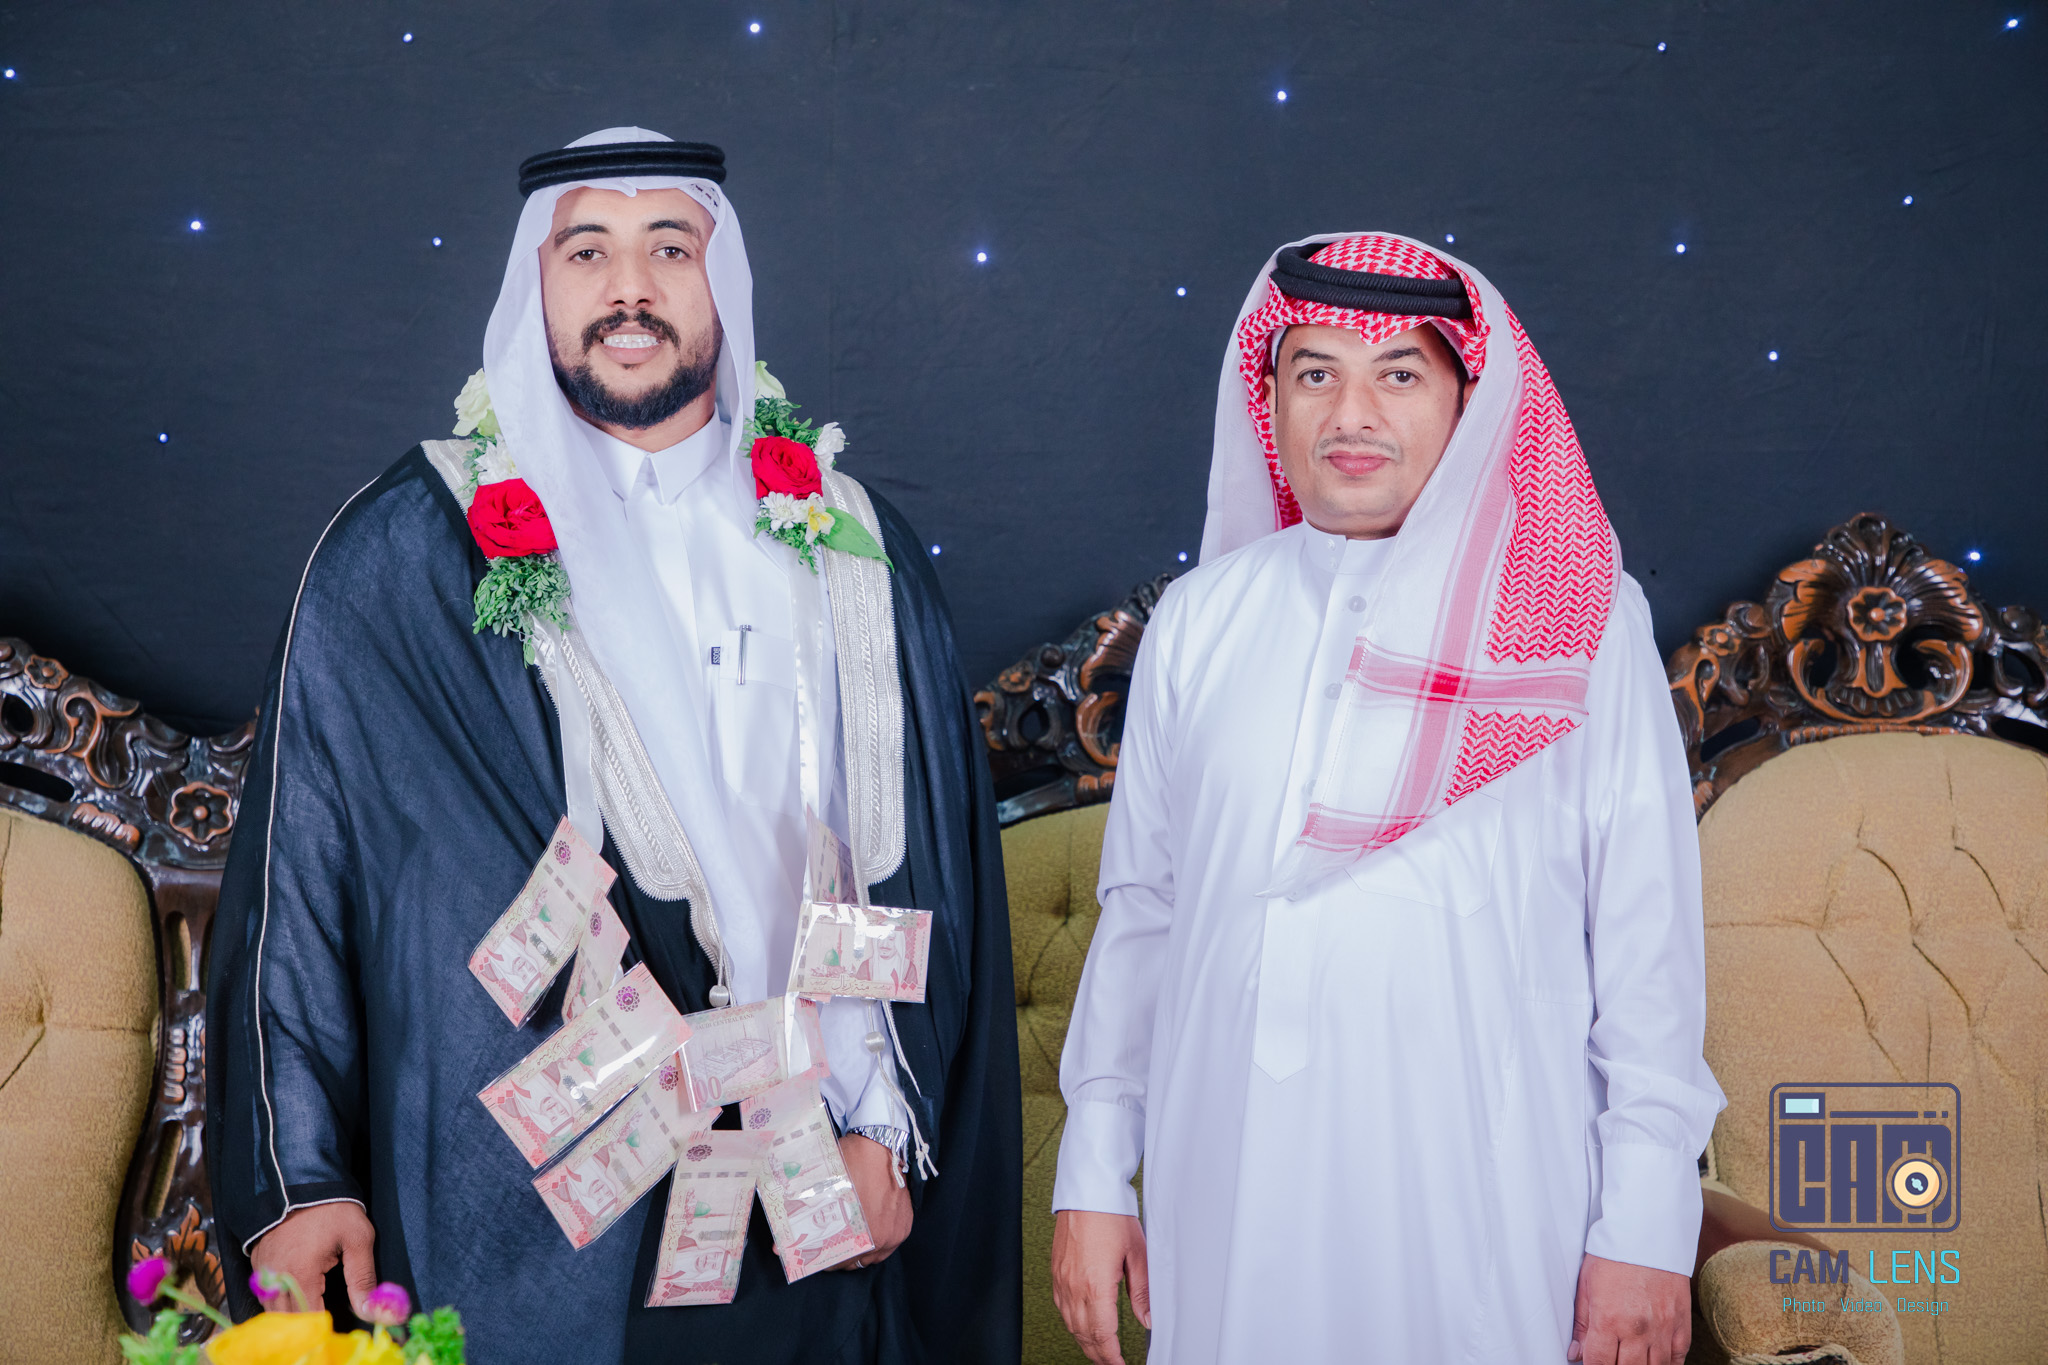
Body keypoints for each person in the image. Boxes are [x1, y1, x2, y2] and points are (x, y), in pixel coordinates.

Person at [206, 127, 1020, 1365]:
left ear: (720, 280)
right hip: (535, 1225)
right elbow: (299, 881)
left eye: (668, 249)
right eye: (587, 252)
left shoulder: (848, 543)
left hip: (821, 1192)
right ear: (534, 282)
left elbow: (921, 873)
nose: (628, 289)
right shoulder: (406, 554)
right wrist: (300, 1175)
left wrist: (880, 1126)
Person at [1048, 233, 1725, 1364]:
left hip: (1486, 1198)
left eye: (1398, 374)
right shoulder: (1201, 621)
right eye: (1314, 372)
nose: (1349, 414)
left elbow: (1645, 942)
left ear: (1468, 399)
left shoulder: (1580, 625)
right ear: (1270, 399)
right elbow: (1144, 917)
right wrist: (1093, 1173)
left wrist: (1647, 1230)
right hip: (1230, 1188)